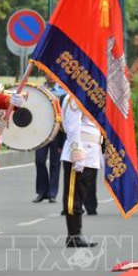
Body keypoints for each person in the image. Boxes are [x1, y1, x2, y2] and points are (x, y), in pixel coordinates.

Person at [60, 93, 101, 248]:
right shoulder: (75, 97)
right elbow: (72, 125)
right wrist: (76, 151)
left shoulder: (91, 96)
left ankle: (77, 233)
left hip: (91, 154)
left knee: (81, 194)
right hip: (79, 154)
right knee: (73, 196)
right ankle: (73, 235)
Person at [33, 75, 66, 204]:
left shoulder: (63, 92)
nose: (51, 76)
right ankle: (42, 191)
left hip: (57, 131)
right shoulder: (40, 91)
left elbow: (65, 117)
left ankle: (52, 193)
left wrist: (63, 139)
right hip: (41, 132)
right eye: (48, 73)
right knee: (39, 161)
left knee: (55, 163)